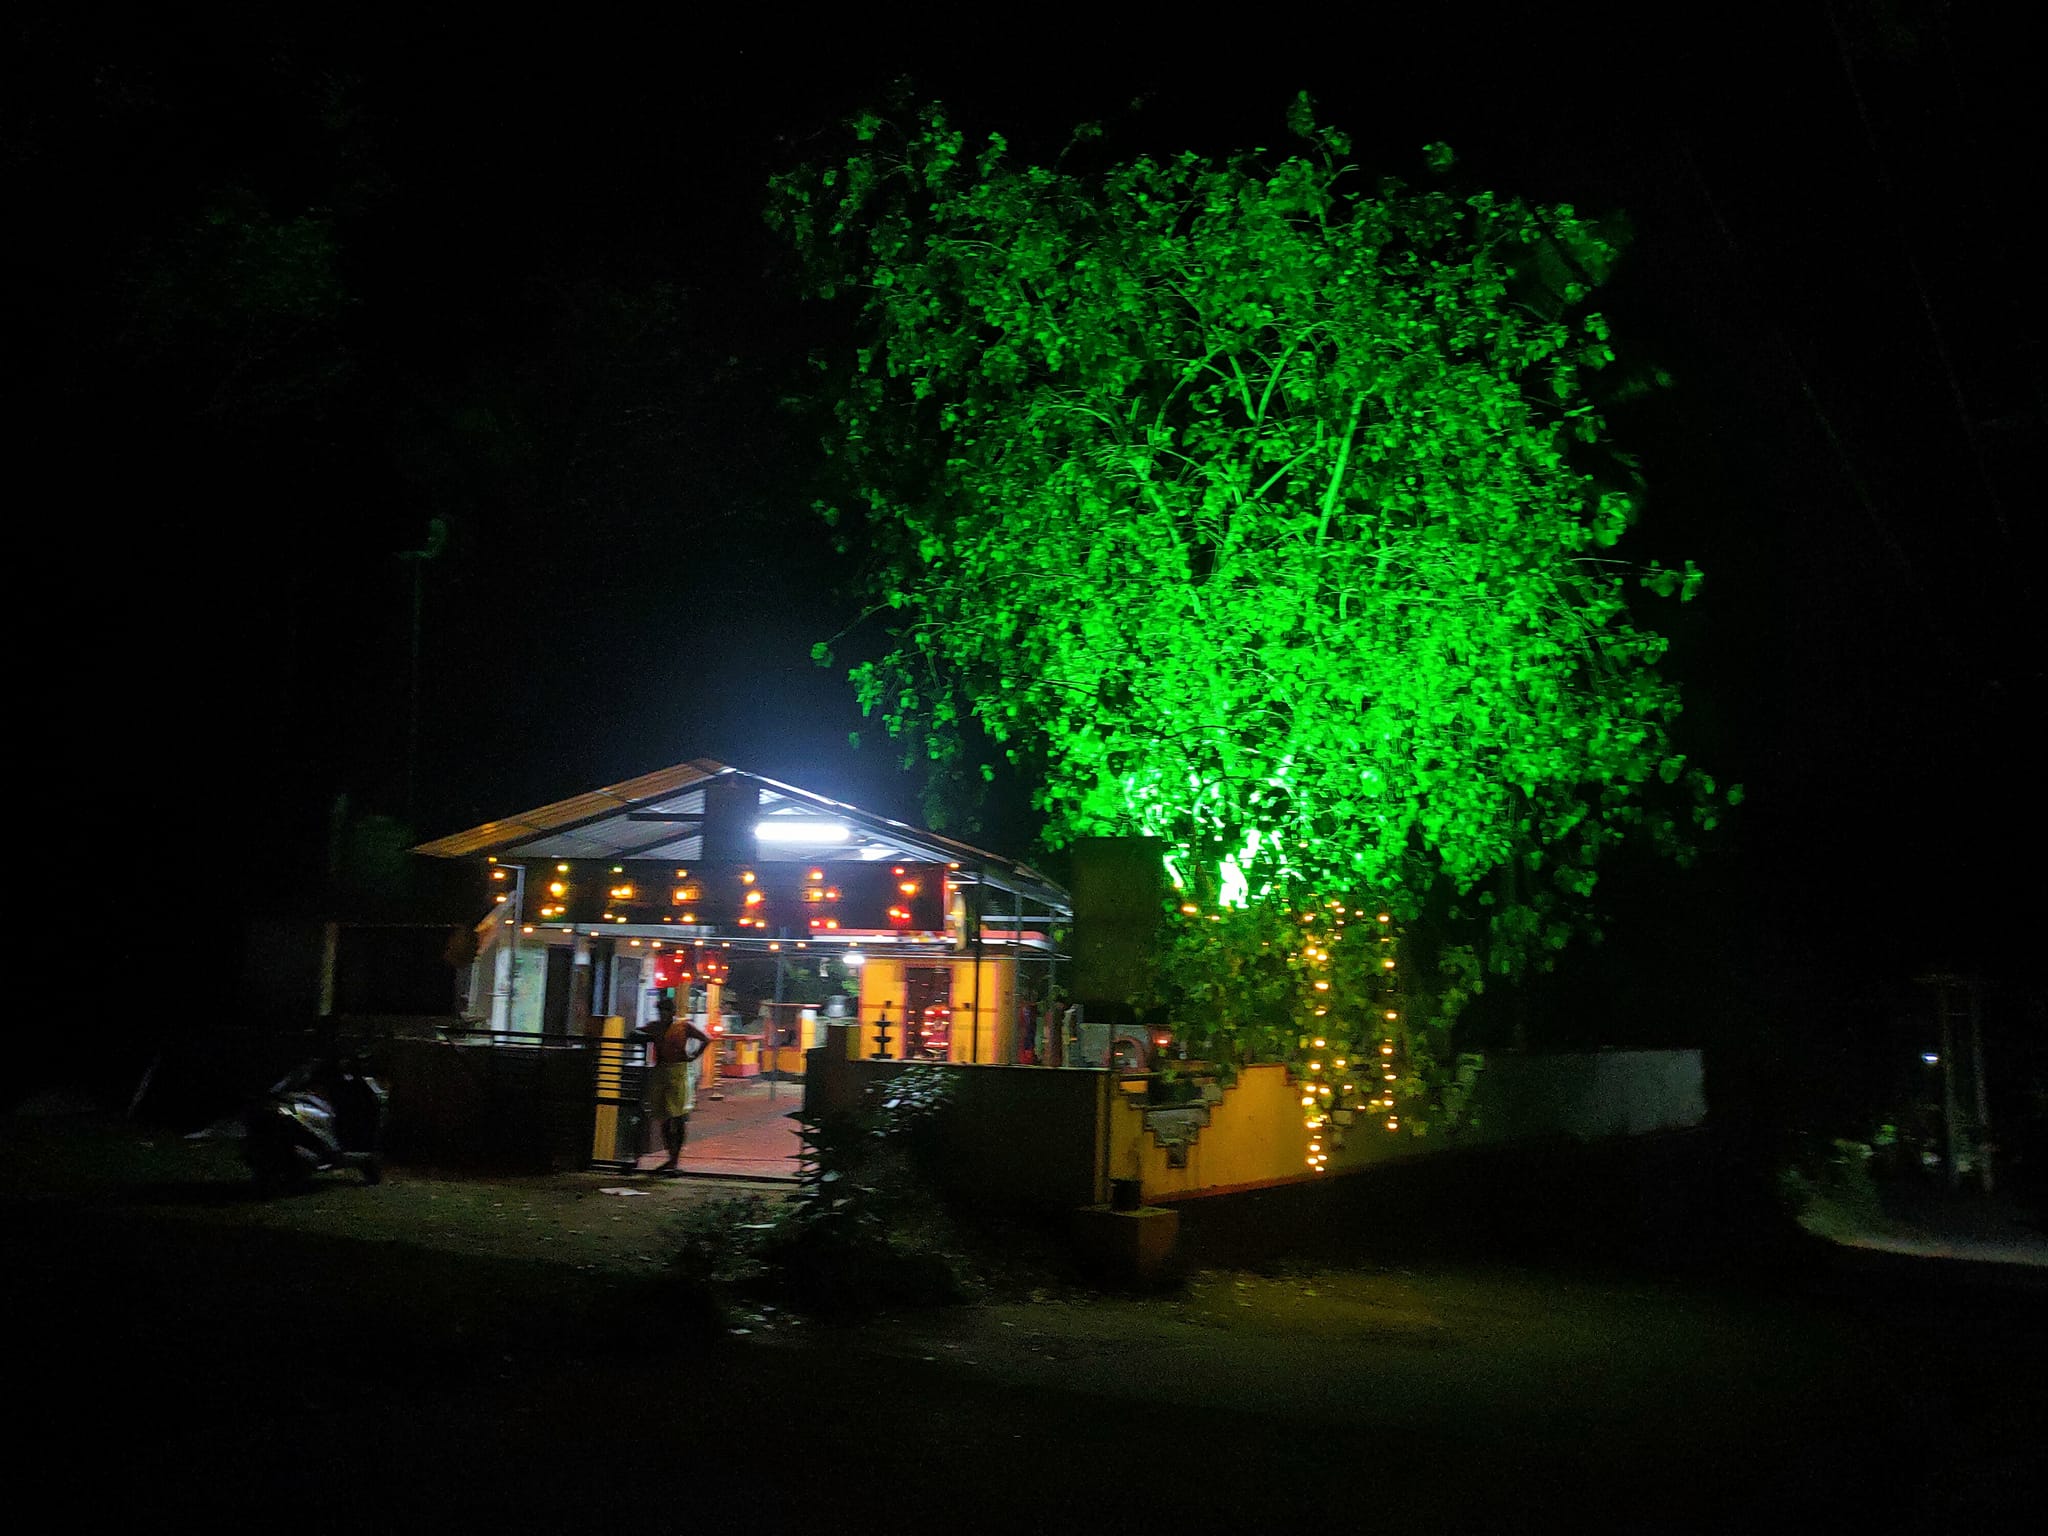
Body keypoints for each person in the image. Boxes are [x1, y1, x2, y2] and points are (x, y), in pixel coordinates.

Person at [640, 992, 710, 1174]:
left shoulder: (683, 1026)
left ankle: (674, 1159)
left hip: (679, 1072)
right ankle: (671, 1158)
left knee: (678, 1117)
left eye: (666, 1011)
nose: (663, 1014)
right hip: (662, 1072)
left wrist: (694, 1055)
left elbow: (705, 1039)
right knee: (664, 1117)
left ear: (672, 1012)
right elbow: (637, 1033)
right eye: (661, 1011)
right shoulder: (655, 1027)